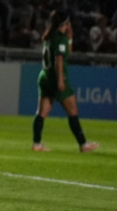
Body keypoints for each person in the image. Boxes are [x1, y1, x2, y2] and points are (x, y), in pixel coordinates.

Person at [33, 10, 99, 153]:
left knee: (41, 113)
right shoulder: (60, 38)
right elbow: (60, 59)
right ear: (65, 23)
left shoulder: (49, 36)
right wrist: (61, 80)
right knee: (73, 111)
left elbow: (66, 52)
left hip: (44, 76)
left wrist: (70, 37)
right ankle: (83, 145)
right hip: (56, 77)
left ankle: (36, 144)